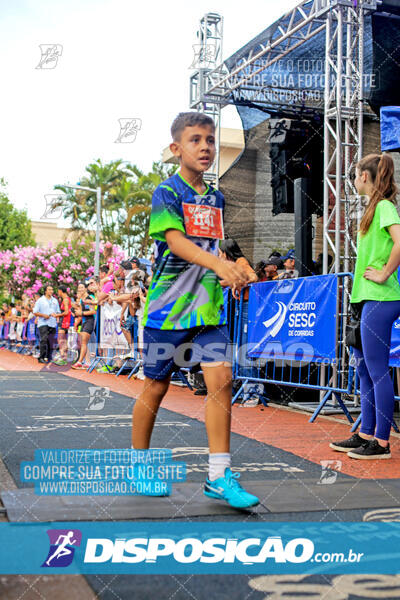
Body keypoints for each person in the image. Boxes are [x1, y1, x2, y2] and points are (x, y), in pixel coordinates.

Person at [132, 111, 259, 508]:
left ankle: (219, 476)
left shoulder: (216, 197)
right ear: (176, 148)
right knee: (156, 385)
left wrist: (236, 267)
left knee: (221, 381)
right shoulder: (166, 192)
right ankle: (139, 463)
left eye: (209, 140)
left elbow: (211, 246)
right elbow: (176, 243)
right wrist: (219, 264)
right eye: (195, 140)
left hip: (207, 310)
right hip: (167, 311)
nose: (205, 147)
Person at [330, 153, 400, 459]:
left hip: (381, 297)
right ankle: (365, 433)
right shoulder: (375, 208)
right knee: (363, 370)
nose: (354, 179)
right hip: (364, 297)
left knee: (376, 369)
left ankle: (381, 442)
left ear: (365, 177)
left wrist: (385, 273)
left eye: (356, 174)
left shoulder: (384, 207)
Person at [71, 281, 97, 370]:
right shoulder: (82, 300)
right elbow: (81, 313)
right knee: (83, 343)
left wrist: (81, 312)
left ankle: (79, 362)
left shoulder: (89, 298)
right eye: (79, 288)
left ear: (86, 288)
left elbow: (93, 311)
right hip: (84, 322)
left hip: (90, 321)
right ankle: (87, 362)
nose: (80, 290)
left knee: (84, 343)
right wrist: (78, 321)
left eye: (82, 288)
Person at [33, 285, 60, 364]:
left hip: (53, 323)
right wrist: (43, 315)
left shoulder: (55, 300)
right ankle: (41, 357)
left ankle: (49, 357)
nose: (51, 291)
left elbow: (58, 311)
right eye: (49, 290)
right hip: (43, 322)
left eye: (52, 289)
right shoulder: (40, 300)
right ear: (45, 291)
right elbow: (35, 312)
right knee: (44, 339)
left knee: (50, 341)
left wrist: (57, 317)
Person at [53, 285, 72, 365]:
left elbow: (66, 312)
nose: (58, 293)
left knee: (60, 339)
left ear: (61, 291)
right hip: (65, 320)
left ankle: (63, 357)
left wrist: (57, 315)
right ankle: (64, 357)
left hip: (64, 321)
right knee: (63, 339)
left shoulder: (65, 300)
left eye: (58, 291)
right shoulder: (67, 299)